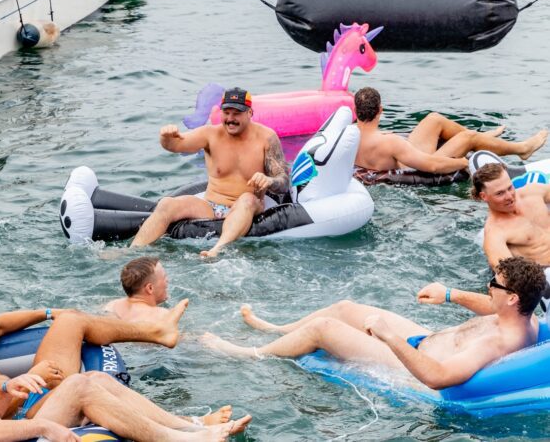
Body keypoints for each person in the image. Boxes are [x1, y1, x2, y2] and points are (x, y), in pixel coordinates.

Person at [202, 257, 546, 391]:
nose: (488, 286)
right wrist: (450, 294)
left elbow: (438, 379)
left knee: (323, 328)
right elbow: (491, 305)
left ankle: (249, 352)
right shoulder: (525, 316)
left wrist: (388, 336)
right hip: (426, 340)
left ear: (514, 297)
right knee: (345, 307)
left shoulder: (497, 342)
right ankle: (275, 330)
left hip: (407, 363)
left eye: (494, 283)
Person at [0, 317, 251, 442]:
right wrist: (42, 428)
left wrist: (6, 390)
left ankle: (189, 427)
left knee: (94, 377)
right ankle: (183, 440)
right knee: (82, 386)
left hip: (8, 435)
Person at [0, 284, 188, 419]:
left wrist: (47, 313)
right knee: (89, 384)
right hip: (26, 411)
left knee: (70, 318)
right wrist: (35, 376)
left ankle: (158, 332)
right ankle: (181, 422)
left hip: (30, 390)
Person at [130, 87, 290, 258]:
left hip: (248, 205)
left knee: (247, 199)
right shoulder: (210, 134)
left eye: (237, 113)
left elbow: (283, 181)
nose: (230, 119)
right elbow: (176, 145)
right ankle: (132, 251)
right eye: (226, 112)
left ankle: (217, 250)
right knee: (167, 203)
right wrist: (166, 137)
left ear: (250, 113)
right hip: (211, 205)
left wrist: (269, 180)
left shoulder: (266, 138)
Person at [354, 87, 546, 174]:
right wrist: (464, 162)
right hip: (413, 167)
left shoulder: (349, 135)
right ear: (380, 110)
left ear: (356, 111)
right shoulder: (390, 142)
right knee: (467, 138)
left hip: (403, 155)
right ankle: (522, 149)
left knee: (434, 119)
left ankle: (484, 139)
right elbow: (432, 167)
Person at [472, 162, 550, 269]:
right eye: (500, 193)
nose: (509, 196)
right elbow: (508, 275)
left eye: (510, 188)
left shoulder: (533, 192)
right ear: (484, 196)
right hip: (545, 272)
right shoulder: (495, 233)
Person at [103, 256, 170, 322]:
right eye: (164, 277)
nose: (167, 280)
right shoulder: (161, 315)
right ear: (150, 288)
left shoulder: (111, 306)